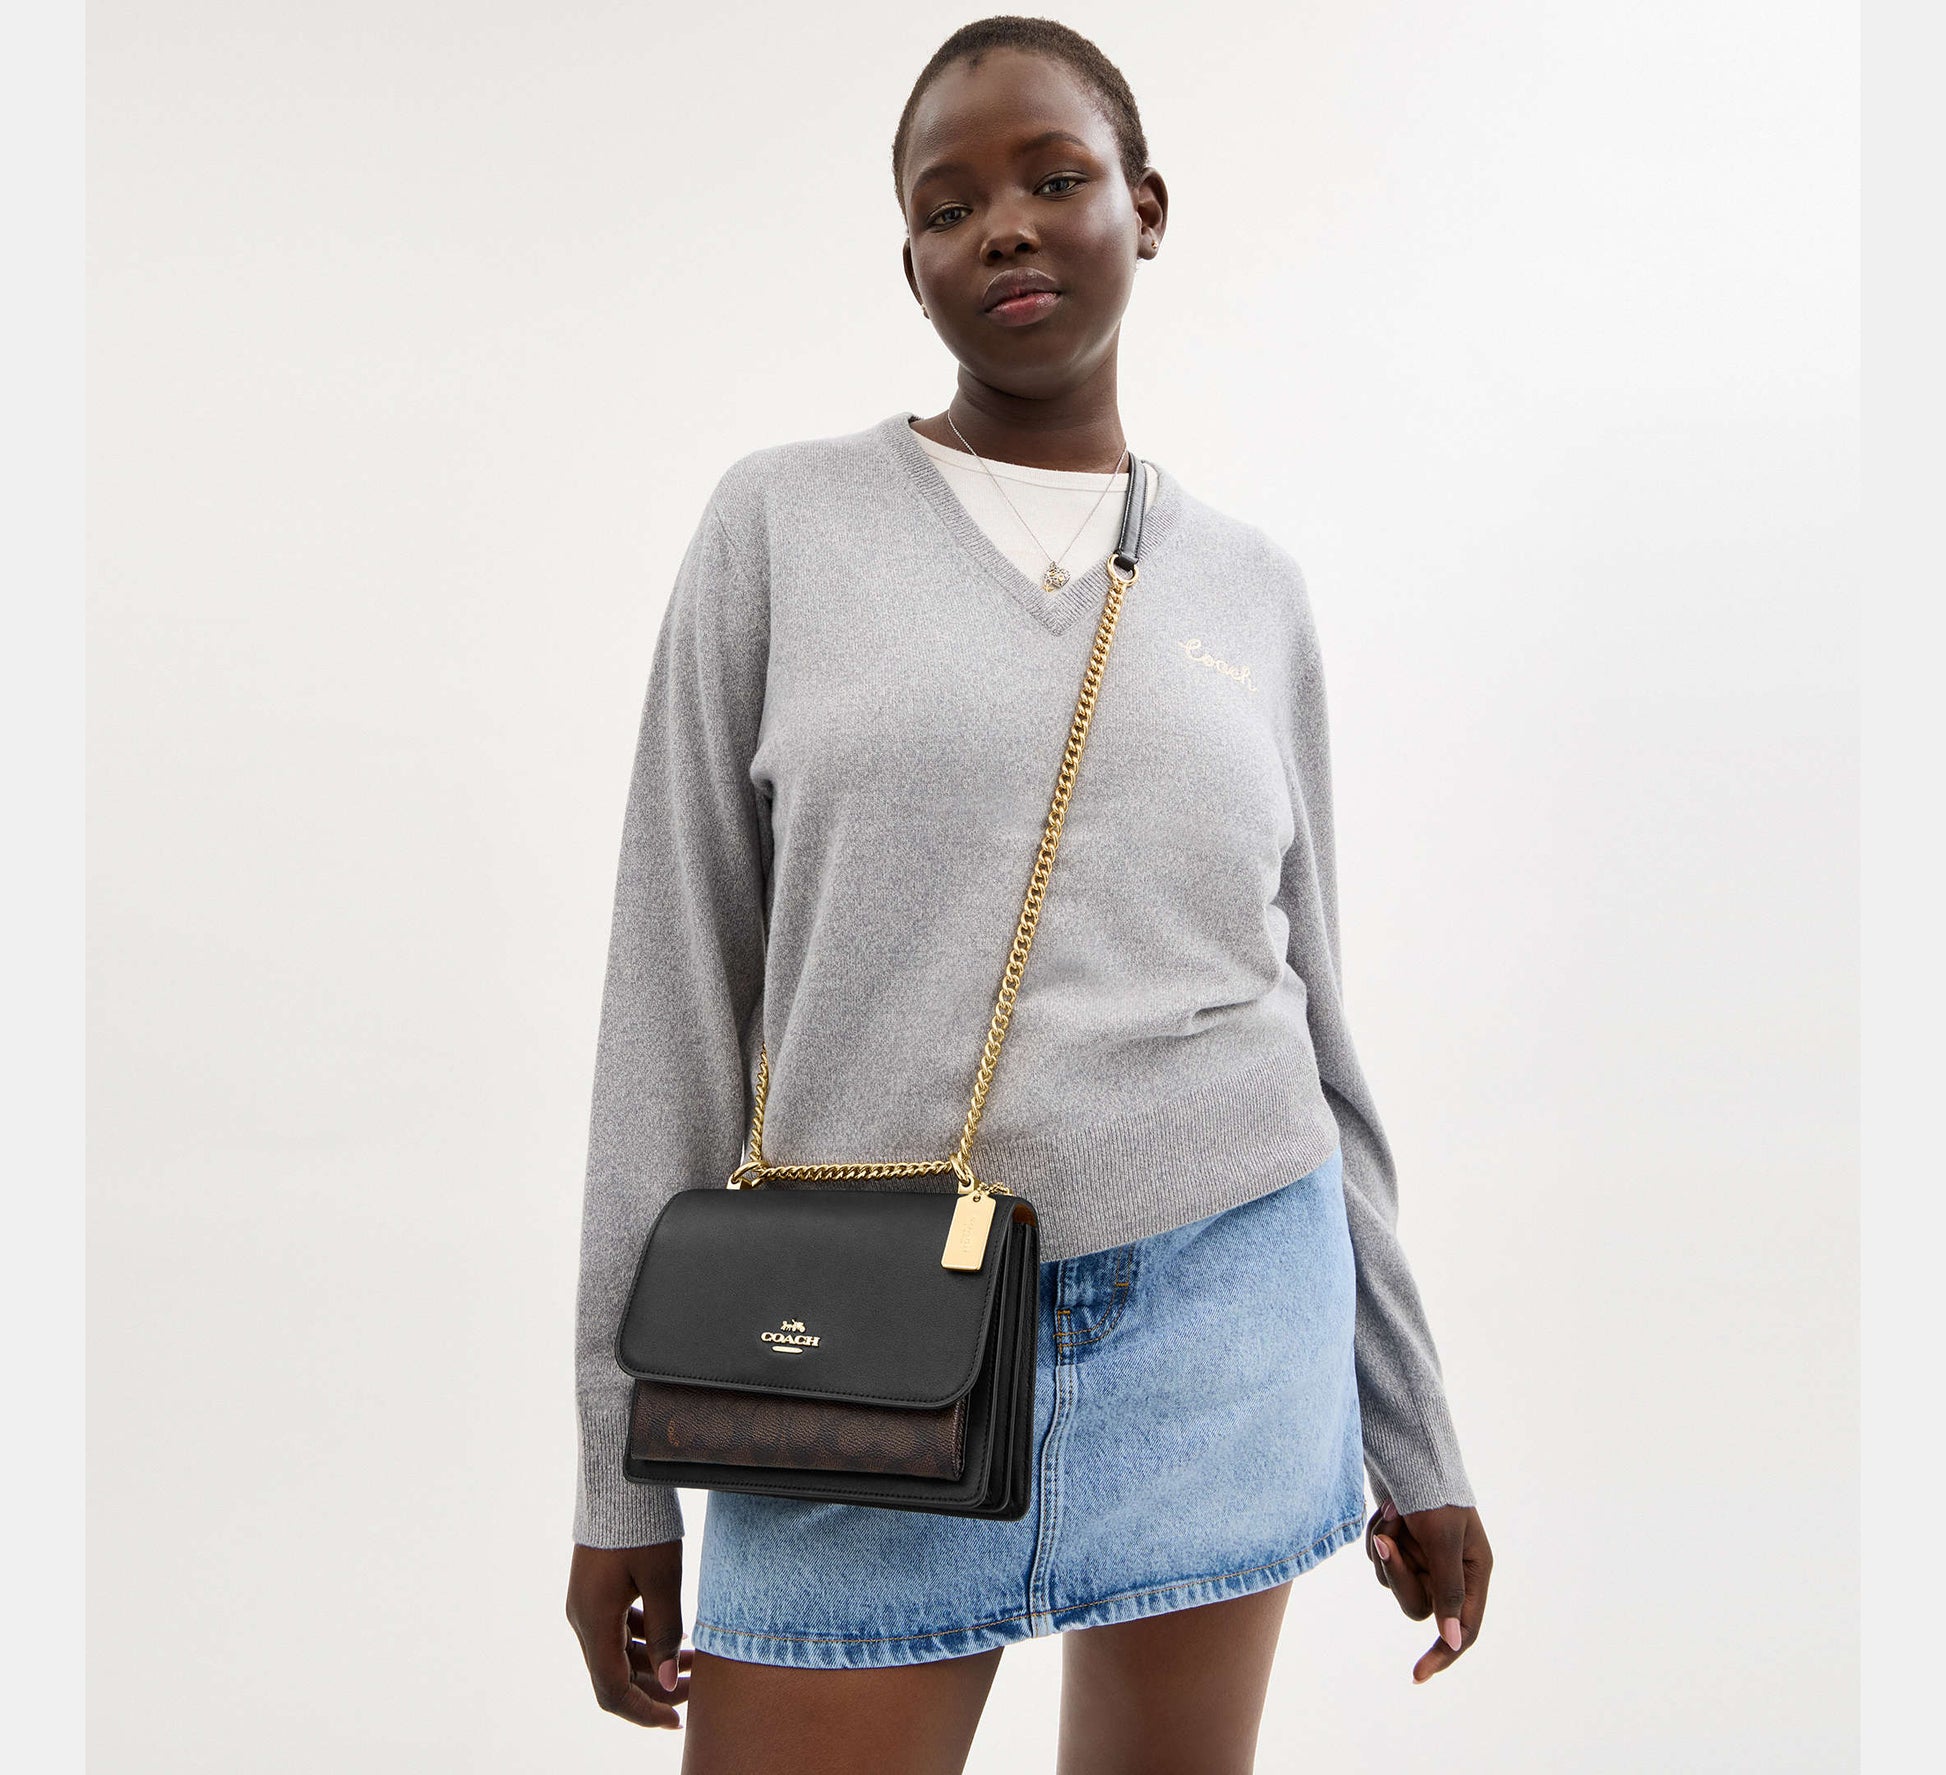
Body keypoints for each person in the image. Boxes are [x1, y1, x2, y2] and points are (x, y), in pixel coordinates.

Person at [565, 16, 1492, 1771]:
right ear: (909, 262)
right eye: (947, 204)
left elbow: (1315, 1024)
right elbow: (670, 992)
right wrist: (620, 1472)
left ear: (1145, 208)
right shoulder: (780, 526)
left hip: (1225, 1305)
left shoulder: (1250, 589)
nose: (1001, 224)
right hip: (855, 1347)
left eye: (1053, 179)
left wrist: (1413, 1433)